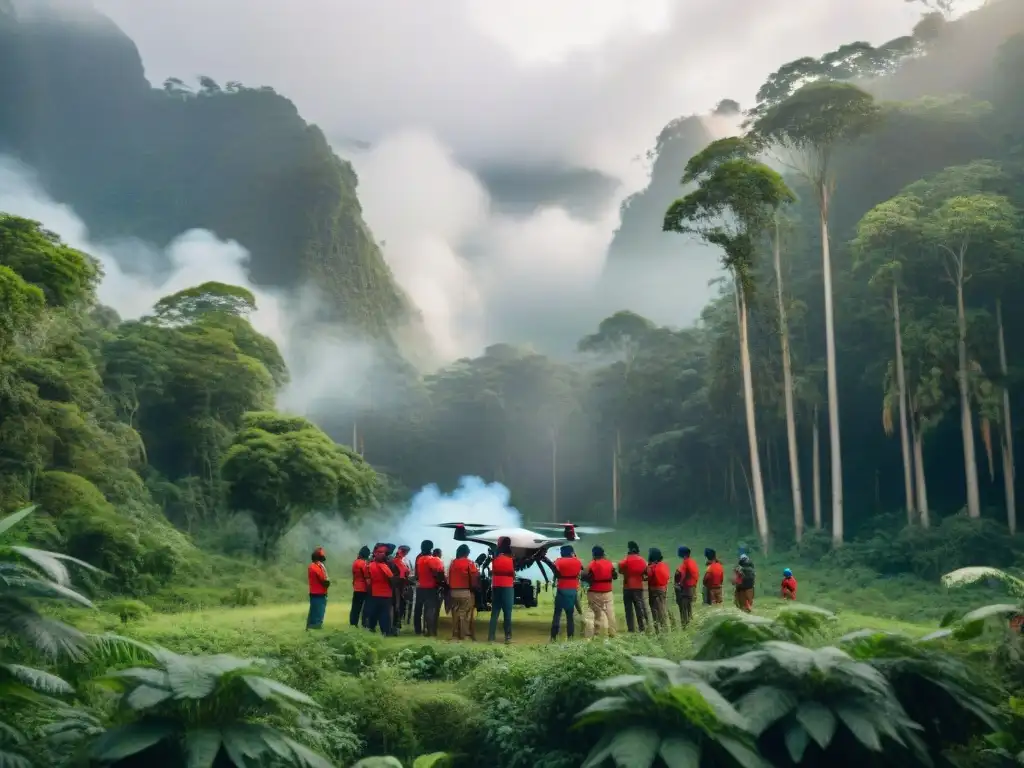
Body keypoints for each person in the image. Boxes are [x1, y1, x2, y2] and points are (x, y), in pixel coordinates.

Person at [583, 545, 617, 638]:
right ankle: (612, 633)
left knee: (595, 614)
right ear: (603, 554)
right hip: (608, 592)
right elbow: (615, 576)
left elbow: (584, 576)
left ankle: (595, 634)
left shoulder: (592, 564)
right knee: (610, 613)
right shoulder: (609, 564)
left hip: (594, 592)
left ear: (593, 554)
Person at [550, 545, 583, 641]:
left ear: (561, 553)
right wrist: (574, 556)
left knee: (557, 614)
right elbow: (580, 570)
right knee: (570, 616)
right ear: (572, 552)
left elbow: (555, 571)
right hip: (572, 590)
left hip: (561, 589)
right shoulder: (577, 561)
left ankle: (553, 637)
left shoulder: (558, 561)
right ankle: (570, 637)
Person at [447, 544, 479, 640]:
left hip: (453, 592)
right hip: (465, 591)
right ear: (466, 552)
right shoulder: (469, 563)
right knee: (465, 614)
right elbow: (474, 577)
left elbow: (449, 577)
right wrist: (475, 589)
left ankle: (455, 635)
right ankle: (464, 635)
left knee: (455, 614)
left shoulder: (453, 563)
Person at [414, 540, 445, 636]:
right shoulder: (434, 560)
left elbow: (418, 575)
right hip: (431, 588)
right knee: (430, 610)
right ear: (431, 548)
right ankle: (430, 632)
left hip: (421, 587)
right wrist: (441, 583)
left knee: (418, 610)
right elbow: (440, 575)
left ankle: (418, 630)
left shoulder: (420, 559)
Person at [488, 537, 516, 644]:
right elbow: (513, 574)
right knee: (507, 613)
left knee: (495, 612)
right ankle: (508, 637)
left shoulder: (495, 559)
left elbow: (492, 572)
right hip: (507, 587)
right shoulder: (511, 559)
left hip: (496, 586)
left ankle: (491, 637)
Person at [618, 541, 648, 633]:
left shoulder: (625, 560)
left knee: (628, 610)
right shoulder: (642, 561)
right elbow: (645, 572)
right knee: (639, 608)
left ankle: (631, 629)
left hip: (627, 588)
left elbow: (620, 570)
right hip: (638, 587)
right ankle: (642, 628)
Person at [365, 544, 396, 635]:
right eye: (379, 552)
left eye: (382, 553)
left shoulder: (369, 565)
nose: (381, 554)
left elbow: (368, 581)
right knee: (384, 616)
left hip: (375, 594)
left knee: (373, 615)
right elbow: (391, 579)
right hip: (385, 595)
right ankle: (385, 632)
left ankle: (372, 630)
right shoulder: (383, 566)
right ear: (375, 553)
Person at [646, 548, 671, 632]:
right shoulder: (664, 565)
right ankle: (665, 629)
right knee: (663, 610)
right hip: (663, 590)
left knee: (656, 612)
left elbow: (646, 576)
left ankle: (660, 631)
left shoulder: (651, 567)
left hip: (654, 591)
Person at [675, 546, 699, 627]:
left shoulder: (685, 562)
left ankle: (685, 626)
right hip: (692, 588)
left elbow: (679, 573)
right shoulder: (693, 562)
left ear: (683, 554)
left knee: (684, 609)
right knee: (689, 608)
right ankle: (691, 625)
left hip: (686, 589)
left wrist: (678, 584)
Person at [306, 546, 330, 630]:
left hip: (315, 593)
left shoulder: (312, 566)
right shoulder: (316, 567)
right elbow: (325, 581)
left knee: (313, 612)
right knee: (318, 614)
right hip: (319, 593)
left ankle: (309, 629)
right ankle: (315, 630)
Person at [392, 545, 412, 634]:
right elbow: (401, 577)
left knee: (400, 606)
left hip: (400, 587)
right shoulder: (397, 561)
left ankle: (396, 625)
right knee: (398, 607)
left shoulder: (401, 560)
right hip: (398, 587)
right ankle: (395, 626)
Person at [350, 546, 371, 627]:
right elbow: (366, 576)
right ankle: (364, 623)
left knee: (355, 608)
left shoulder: (355, 562)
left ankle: (353, 623)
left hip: (356, 587)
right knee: (365, 607)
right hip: (363, 588)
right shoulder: (363, 563)